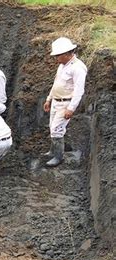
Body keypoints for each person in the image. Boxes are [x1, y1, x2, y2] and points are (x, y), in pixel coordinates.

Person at [43, 37, 87, 167]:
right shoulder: (62, 66)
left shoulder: (78, 68)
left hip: (65, 103)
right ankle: (53, 150)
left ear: (67, 54)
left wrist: (71, 108)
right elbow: (56, 84)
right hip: (56, 101)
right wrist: (49, 99)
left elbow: (79, 91)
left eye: (58, 56)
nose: (56, 59)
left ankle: (59, 156)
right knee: (52, 126)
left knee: (57, 128)